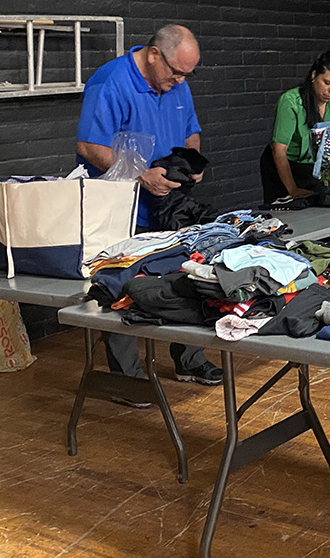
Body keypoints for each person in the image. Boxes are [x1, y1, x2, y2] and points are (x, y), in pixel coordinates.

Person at [75, 24, 223, 395]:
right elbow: (90, 146)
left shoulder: (178, 84)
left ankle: (190, 359)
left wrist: (192, 160)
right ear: (154, 55)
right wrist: (141, 175)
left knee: (187, 275)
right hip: (121, 209)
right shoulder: (111, 82)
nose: (180, 81)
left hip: (168, 204)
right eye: (175, 72)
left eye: (187, 75)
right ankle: (126, 378)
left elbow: (191, 130)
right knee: (121, 287)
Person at [260, 50, 330, 203]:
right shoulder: (290, 101)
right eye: (327, 83)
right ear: (314, 76)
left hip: (314, 167)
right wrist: (293, 189)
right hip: (284, 165)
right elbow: (279, 150)